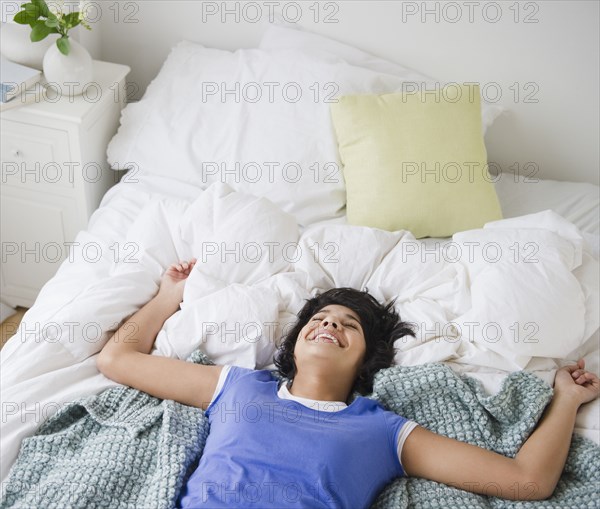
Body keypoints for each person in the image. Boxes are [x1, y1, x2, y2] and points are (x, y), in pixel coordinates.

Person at [97, 260, 600, 508]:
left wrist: (566, 399)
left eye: (348, 325)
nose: (329, 326)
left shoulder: (383, 432)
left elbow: (527, 481)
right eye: (319, 320)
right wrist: (168, 295)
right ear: (294, 343)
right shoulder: (237, 387)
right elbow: (117, 358)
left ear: (365, 358)